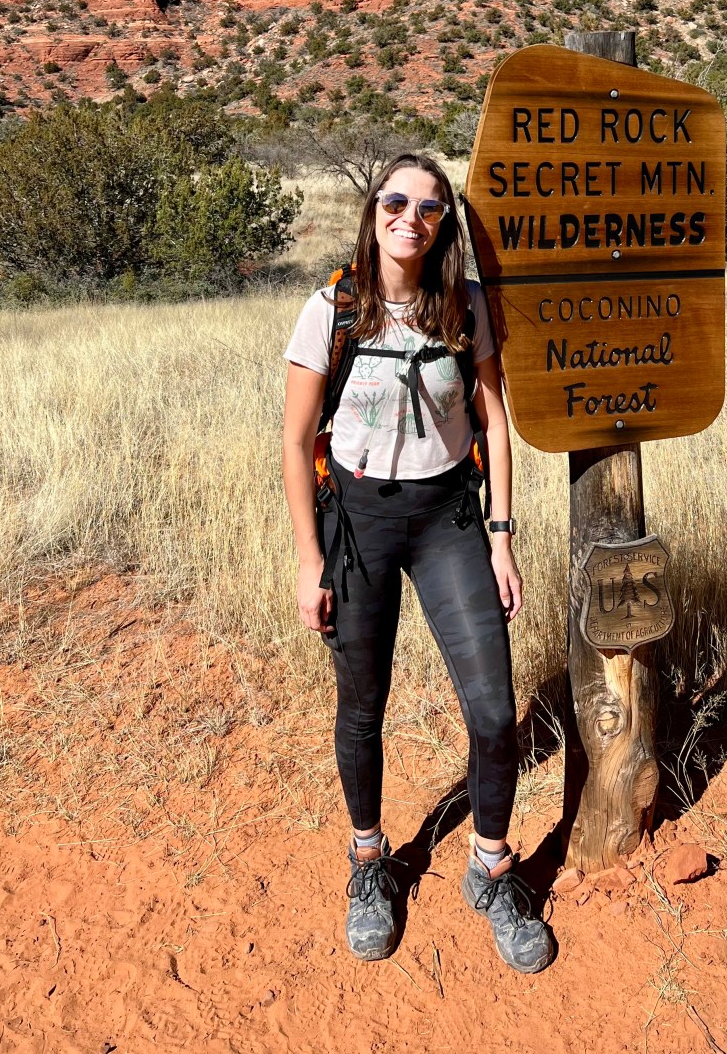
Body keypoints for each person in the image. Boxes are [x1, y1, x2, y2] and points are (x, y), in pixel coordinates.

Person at [281, 152, 552, 974]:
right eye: (396, 201)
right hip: (358, 525)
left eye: (431, 207)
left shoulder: (464, 307)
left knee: (494, 711)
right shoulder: (330, 310)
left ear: (444, 226)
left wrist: (501, 536)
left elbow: (496, 426)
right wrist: (307, 560)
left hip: (448, 520)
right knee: (363, 708)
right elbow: (295, 444)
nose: (412, 217)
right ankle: (371, 863)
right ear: (373, 211)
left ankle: (492, 868)